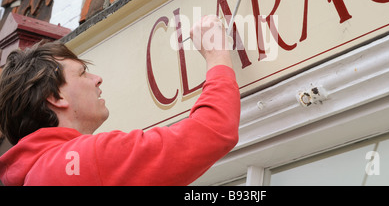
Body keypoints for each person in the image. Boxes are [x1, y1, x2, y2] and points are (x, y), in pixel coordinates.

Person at [0, 15, 240, 186]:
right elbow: (212, 131)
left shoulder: (31, 176)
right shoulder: (88, 158)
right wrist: (217, 56)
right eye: (83, 73)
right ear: (55, 97)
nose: (97, 79)